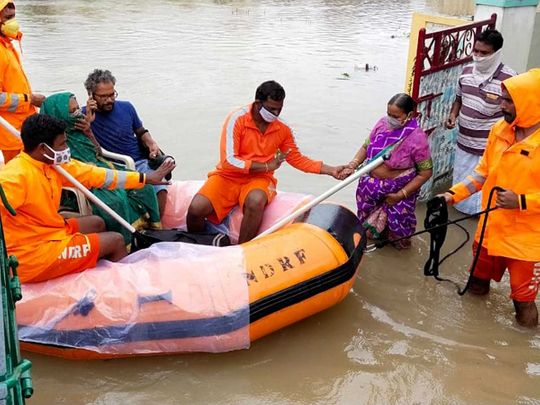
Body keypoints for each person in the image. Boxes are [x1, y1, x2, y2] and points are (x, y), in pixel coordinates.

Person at [0, 114, 175, 283]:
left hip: (48, 230)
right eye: (62, 144)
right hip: (32, 253)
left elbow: (96, 175)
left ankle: (96, 269)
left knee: (97, 222)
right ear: (43, 148)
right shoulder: (15, 177)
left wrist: (144, 179)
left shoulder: (50, 164)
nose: (66, 149)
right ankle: (126, 290)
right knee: (116, 240)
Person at [186, 80, 344, 243]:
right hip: (228, 176)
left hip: (260, 179)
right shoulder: (237, 119)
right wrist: (268, 165)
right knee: (196, 208)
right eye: (271, 109)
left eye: (279, 109)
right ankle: (197, 243)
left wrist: (331, 170)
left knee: (256, 201)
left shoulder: (282, 129)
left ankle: (242, 250)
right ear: (257, 104)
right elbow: (229, 161)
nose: (275, 114)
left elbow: (296, 158)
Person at [441, 69, 540, 328]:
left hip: (526, 240)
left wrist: (521, 201)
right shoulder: (500, 129)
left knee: (524, 303)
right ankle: (470, 333)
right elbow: (482, 173)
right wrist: (453, 195)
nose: (501, 105)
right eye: (503, 98)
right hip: (490, 228)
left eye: (508, 101)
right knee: (475, 286)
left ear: (530, 103)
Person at [40, 92, 162, 244]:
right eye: (73, 111)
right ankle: (125, 242)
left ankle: (150, 230)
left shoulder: (79, 129)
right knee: (116, 200)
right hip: (81, 182)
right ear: (59, 114)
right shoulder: (53, 143)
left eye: (78, 109)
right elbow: (73, 171)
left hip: (99, 167)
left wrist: (88, 131)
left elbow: (98, 152)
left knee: (145, 187)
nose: (78, 114)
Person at [340, 93, 432, 249]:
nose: (390, 119)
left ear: (409, 114)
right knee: (366, 228)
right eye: (389, 114)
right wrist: (352, 165)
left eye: (395, 116)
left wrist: (399, 195)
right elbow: (365, 146)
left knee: (398, 233)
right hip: (370, 188)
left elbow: (425, 173)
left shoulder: (417, 138)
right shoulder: (382, 124)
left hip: (398, 189)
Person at [445, 29, 516, 215]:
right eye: (475, 51)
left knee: (485, 191)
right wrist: (453, 115)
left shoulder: (509, 79)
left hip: (490, 147)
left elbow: (515, 113)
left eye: (484, 53)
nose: (477, 56)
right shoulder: (466, 72)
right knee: (463, 184)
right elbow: (459, 99)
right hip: (464, 142)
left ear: (496, 53)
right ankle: (461, 212)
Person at [82, 69, 170, 217]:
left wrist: (151, 143)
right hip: (113, 166)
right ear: (91, 95)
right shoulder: (84, 117)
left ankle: (157, 225)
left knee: (160, 187)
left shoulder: (127, 107)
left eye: (112, 94)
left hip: (139, 160)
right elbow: (90, 150)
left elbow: (141, 131)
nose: (109, 100)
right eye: (103, 96)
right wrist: (88, 124)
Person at [0, 0, 45, 163]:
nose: (13, 22)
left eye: (13, 17)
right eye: (8, 17)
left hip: (23, 128)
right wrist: (29, 99)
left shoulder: (7, 45)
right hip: (11, 133)